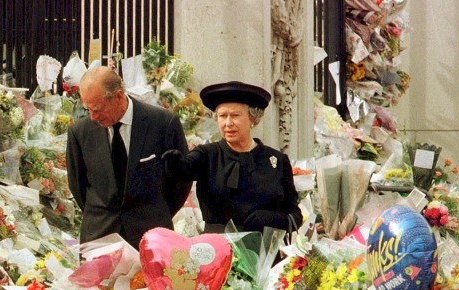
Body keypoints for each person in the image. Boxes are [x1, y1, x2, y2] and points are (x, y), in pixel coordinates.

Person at [66, 66, 192, 250]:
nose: (93, 117)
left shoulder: (163, 123)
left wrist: (156, 213)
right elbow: (78, 186)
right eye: (88, 109)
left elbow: (181, 180)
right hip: (99, 237)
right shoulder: (80, 132)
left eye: (98, 109)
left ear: (118, 96)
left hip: (151, 237)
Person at [163, 81, 301, 234]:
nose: (228, 123)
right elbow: (185, 168)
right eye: (222, 116)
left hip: (265, 251)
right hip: (217, 250)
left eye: (235, 115)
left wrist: (272, 219)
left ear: (252, 119)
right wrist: (174, 163)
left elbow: (295, 217)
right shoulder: (207, 154)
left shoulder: (277, 160)